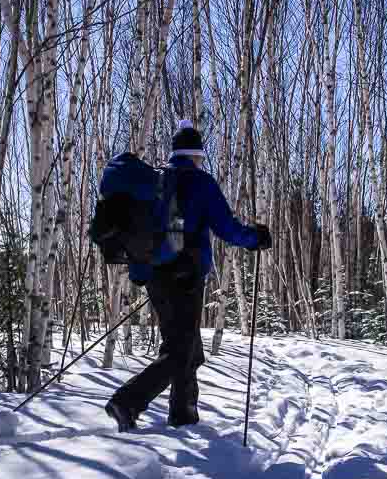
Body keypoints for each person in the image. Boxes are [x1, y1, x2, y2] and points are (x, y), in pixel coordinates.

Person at [105, 119, 272, 431]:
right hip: (186, 278)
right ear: (196, 154)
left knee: (188, 347)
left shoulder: (157, 180)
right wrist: (256, 238)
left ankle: (184, 415)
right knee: (180, 351)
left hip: (156, 276)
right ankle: (127, 401)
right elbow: (227, 227)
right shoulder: (200, 182)